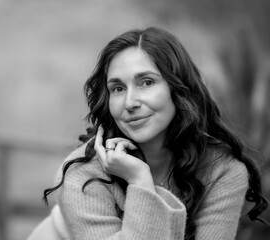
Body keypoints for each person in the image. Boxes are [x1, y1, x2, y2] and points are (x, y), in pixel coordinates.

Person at [28, 27, 268, 240]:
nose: (130, 102)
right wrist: (140, 182)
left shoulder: (222, 171)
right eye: (118, 88)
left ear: (178, 89)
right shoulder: (84, 174)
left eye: (146, 82)